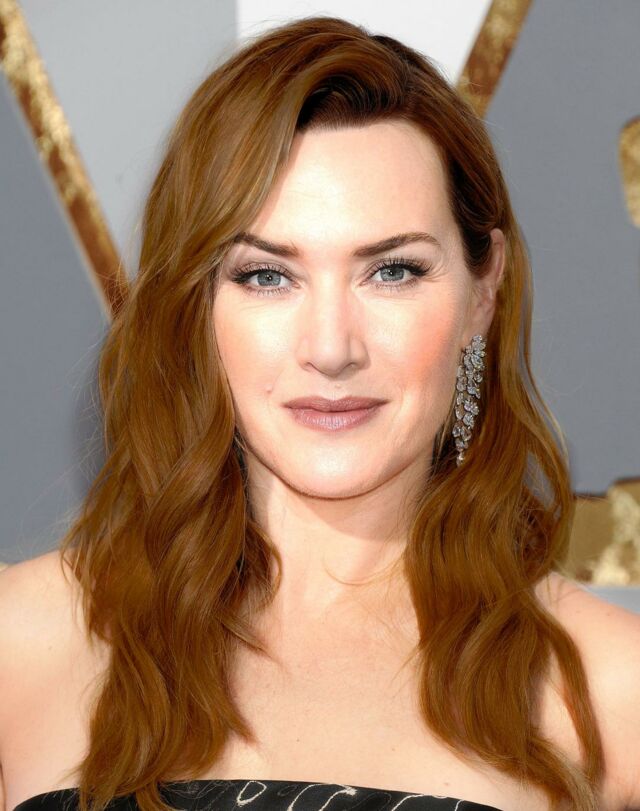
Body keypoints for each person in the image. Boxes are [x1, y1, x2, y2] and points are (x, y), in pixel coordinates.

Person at [0, 14, 638, 811]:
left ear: (483, 291)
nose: (332, 348)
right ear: (196, 306)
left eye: (393, 270)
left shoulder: (614, 692)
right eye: (267, 276)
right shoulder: (18, 646)